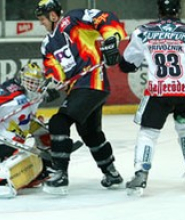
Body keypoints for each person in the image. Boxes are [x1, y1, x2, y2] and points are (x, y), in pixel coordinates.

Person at [35, 0, 127, 195]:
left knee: (59, 122)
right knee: (89, 133)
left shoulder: (72, 20)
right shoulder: (47, 45)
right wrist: (53, 84)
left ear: (53, 15)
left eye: (43, 18)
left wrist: (110, 40)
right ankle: (111, 173)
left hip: (93, 82)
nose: (41, 22)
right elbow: (55, 72)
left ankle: (60, 173)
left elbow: (104, 18)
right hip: (80, 88)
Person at [117, 0, 185, 195]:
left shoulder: (143, 31)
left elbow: (128, 65)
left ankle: (141, 173)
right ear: (178, 10)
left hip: (158, 93)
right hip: (184, 92)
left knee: (148, 133)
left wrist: (115, 58)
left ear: (159, 11)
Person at [0, 62, 59, 198]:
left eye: (36, 83)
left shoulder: (36, 95)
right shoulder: (10, 91)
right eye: (29, 81)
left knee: (46, 136)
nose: (32, 86)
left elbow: (28, 117)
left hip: (15, 140)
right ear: (21, 79)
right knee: (20, 163)